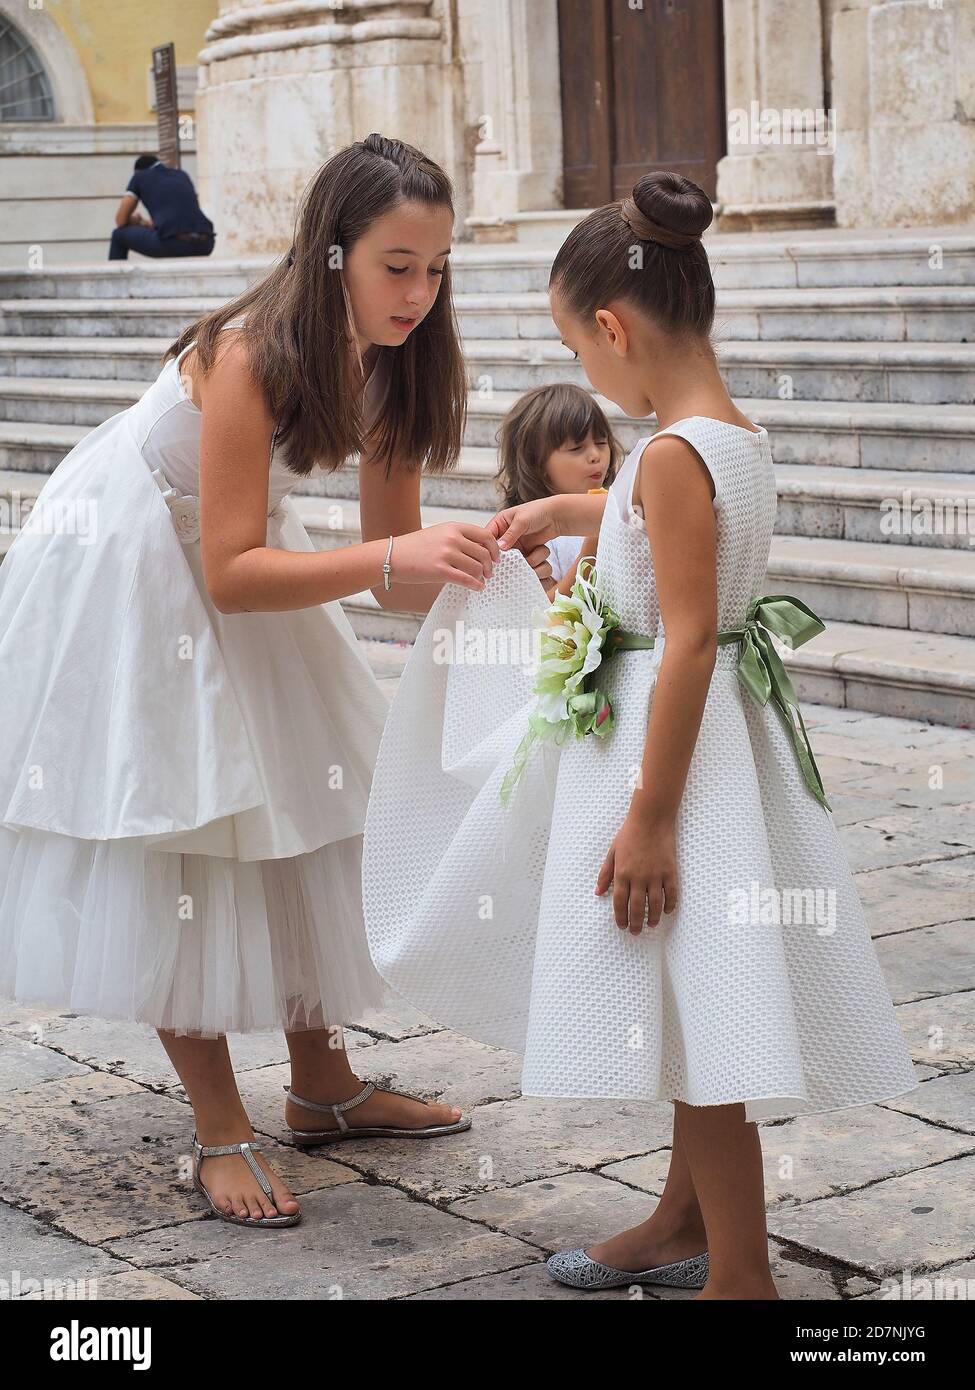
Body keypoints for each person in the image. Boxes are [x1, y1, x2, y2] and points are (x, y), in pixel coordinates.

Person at [361, 170, 920, 1298]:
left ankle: (744, 1278)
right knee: (680, 996)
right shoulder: (726, 434)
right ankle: (678, 1218)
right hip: (720, 752)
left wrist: (651, 816)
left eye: (580, 350)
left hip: (682, 770)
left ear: (612, 328)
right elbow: (668, 531)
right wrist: (565, 511)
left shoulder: (666, 455)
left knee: (701, 1017)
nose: (586, 373)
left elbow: (690, 642)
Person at [0, 133, 499, 1230]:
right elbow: (228, 574)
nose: (418, 292)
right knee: (192, 826)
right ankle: (219, 1124)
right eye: (396, 265)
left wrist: (506, 565)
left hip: (249, 552)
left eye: (436, 267)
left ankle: (323, 1084)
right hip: (137, 558)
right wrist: (390, 563)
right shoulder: (248, 354)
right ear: (333, 257)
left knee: (313, 799)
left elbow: (397, 571)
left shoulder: (400, 360)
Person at [494, 382, 621, 600]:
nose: (595, 455)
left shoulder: (618, 506)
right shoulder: (534, 535)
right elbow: (543, 611)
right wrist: (589, 554)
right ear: (537, 463)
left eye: (601, 442)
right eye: (576, 448)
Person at [109, 153, 216, 260]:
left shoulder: (139, 176)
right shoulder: (182, 175)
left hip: (173, 244)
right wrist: (146, 223)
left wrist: (136, 220)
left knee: (118, 235)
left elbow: (120, 220)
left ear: (137, 171)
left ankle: (112, 277)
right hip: (206, 244)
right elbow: (183, 215)